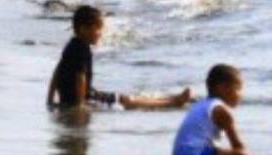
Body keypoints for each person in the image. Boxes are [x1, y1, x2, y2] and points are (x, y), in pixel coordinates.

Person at [47, 6, 190, 110]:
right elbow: (80, 77)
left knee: (125, 98)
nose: (100, 33)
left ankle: (170, 99)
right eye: (97, 29)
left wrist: (50, 98)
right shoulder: (82, 49)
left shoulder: (71, 45)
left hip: (76, 98)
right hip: (83, 99)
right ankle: (172, 102)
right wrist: (80, 106)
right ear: (83, 29)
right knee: (127, 101)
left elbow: (57, 71)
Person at [166, 64, 272, 155]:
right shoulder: (221, 111)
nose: (241, 95)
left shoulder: (201, 105)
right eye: (238, 89)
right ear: (223, 88)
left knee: (220, 153)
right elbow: (237, 146)